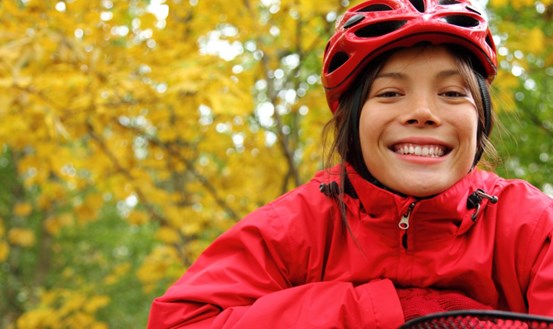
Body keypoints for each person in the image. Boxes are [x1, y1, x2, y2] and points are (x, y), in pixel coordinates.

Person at [147, 0, 553, 327]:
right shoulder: (298, 228)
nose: (423, 112)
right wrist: (389, 310)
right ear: (351, 121)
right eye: (391, 93)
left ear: (480, 119)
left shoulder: (532, 228)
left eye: (451, 93)